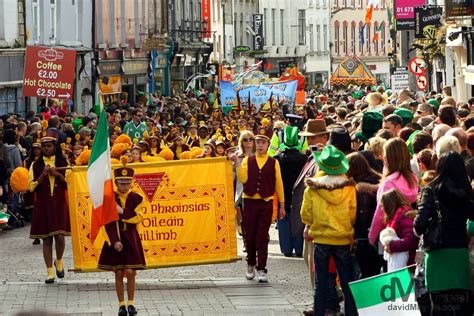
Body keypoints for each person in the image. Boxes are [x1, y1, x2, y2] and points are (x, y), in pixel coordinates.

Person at [300, 145, 357, 316]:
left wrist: (312, 223)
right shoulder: (348, 187)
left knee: (321, 281)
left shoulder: (312, 188)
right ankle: (350, 313)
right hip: (342, 238)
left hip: (321, 239)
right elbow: (352, 214)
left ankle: (319, 312)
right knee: (347, 281)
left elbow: (305, 215)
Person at [414, 152, 474, 315]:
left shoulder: (430, 190)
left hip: (436, 255)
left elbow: (419, 225)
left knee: (439, 307)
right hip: (459, 254)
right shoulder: (465, 191)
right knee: (462, 306)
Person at [231, 128, 285, 283]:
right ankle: (250, 264)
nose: (260, 145)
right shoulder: (248, 159)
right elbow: (243, 179)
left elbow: (279, 184)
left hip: (265, 202)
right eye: (258, 143)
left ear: (268, 144)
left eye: (263, 143)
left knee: (262, 236)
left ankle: (261, 268)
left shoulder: (274, 162)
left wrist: (281, 205)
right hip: (249, 201)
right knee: (249, 235)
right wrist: (237, 163)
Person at [97, 158, 146, 316]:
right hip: (116, 239)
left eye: (127, 183)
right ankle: (121, 305)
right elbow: (107, 221)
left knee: (131, 271)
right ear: (116, 183)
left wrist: (121, 211)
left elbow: (139, 217)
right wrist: (114, 241)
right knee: (118, 272)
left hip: (130, 238)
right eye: (121, 183)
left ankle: (131, 303)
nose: (125, 186)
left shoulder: (137, 198)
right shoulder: (109, 198)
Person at [28, 130, 70, 284]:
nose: (46, 149)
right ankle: (49, 272)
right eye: (44, 146)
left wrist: (57, 174)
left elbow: (70, 184)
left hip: (59, 203)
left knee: (60, 236)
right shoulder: (35, 164)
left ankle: (59, 261)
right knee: (46, 239)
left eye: (49, 146)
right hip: (43, 204)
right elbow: (31, 187)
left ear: (55, 147)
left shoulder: (64, 163)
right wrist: (42, 176)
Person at [368, 138, 418, 246]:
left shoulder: (389, 183)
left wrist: (372, 237)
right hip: (409, 233)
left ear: (389, 158)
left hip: (390, 234)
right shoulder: (413, 178)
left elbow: (380, 214)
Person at [346, 152, 382, 278]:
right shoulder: (377, 179)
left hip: (365, 240)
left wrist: (357, 236)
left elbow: (363, 216)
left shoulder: (362, 190)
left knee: (365, 276)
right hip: (376, 238)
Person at [275, 126, 306, 257]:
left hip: (283, 195)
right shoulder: (304, 159)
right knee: (299, 221)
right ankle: (299, 249)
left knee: (284, 221)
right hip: (299, 196)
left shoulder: (278, 159)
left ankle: (287, 249)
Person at [379, 189, 418, 272]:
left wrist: (392, 246)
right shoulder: (397, 218)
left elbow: (411, 240)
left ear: (388, 205)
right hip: (408, 263)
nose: (382, 209)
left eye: (383, 206)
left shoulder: (405, 217)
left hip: (410, 264)